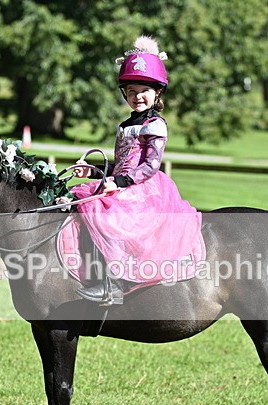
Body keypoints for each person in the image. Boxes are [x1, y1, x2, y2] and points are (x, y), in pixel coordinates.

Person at [70, 35, 202, 306]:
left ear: (157, 93)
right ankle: (84, 272)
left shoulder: (155, 124)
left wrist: (118, 181)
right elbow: (121, 162)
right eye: (131, 91)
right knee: (78, 204)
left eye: (144, 90)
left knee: (108, 216)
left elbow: (150, 166)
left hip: (144, 188)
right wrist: (95, 173)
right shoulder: (125, 124)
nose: (137, 96)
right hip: (122, 181)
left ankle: (116, 284)